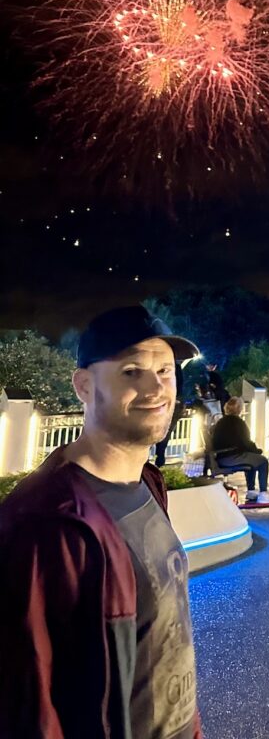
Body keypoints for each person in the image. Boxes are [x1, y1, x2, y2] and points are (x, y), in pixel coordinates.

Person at [0, 305, 202, 738]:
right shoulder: (45, 522)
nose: (155, 387)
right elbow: (27, 697)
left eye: (165, 371)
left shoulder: (147, 485)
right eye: (131, 372)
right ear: (84, 386)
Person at [211, 396, 269, 501]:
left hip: (221, 457)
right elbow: (245, 442)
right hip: (232, 456)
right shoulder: (238, 423)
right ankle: (263, 493)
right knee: (262, 461)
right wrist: (258, 451)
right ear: (239, 409)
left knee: (252, 459)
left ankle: (252, 491)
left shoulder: (221, 422)